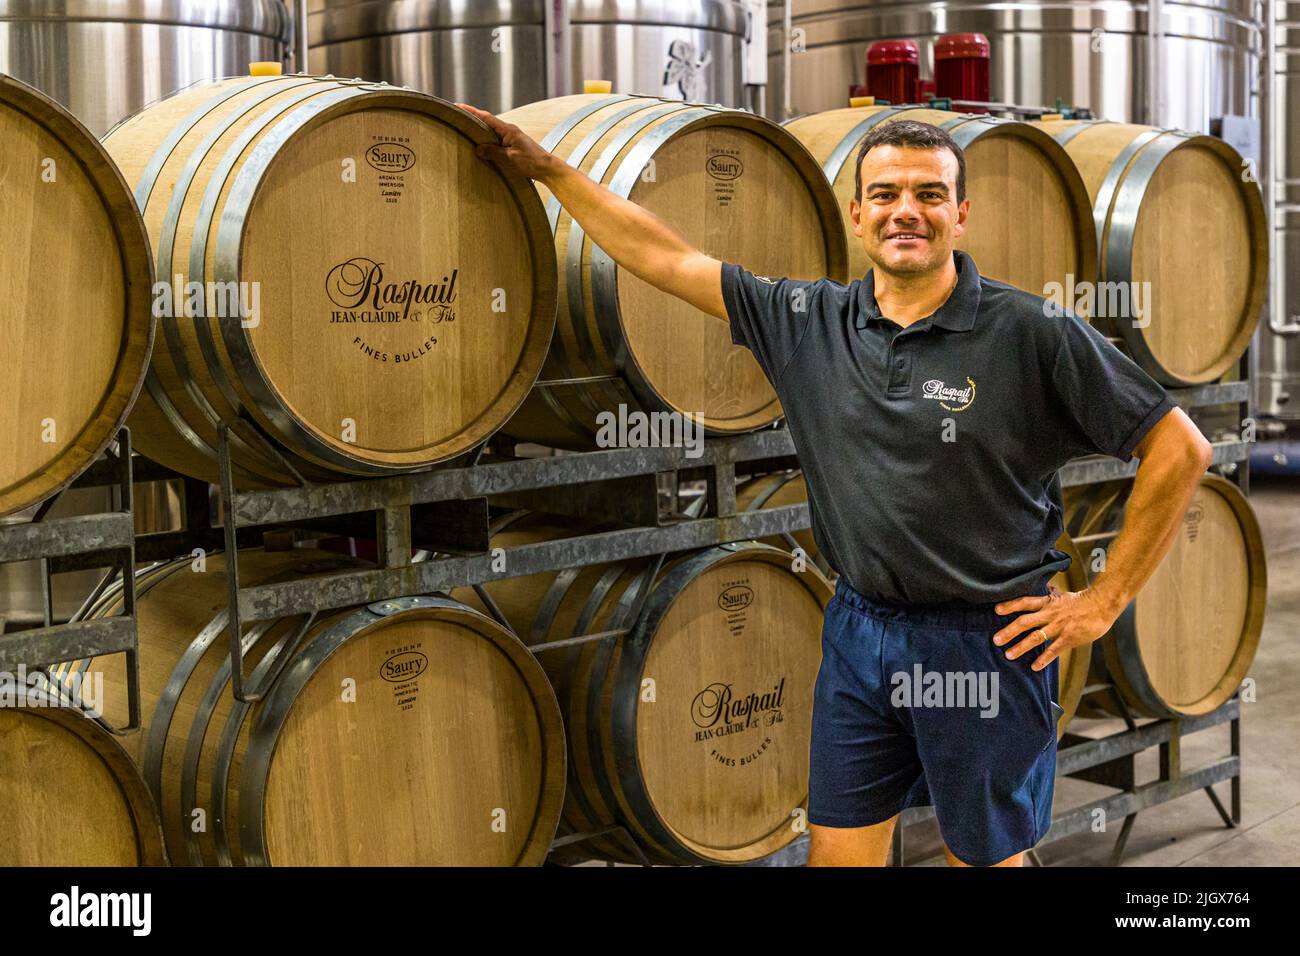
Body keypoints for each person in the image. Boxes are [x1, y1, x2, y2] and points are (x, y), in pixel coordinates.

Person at [457, 102, 1213, 867]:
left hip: (985, 641)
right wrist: (553, 170)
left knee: (982, 862)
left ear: (960, 213)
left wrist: (1105, 598)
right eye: (885, 195)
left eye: (927, 193)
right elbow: (665, 258)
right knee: (837, 854)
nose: (904, 212)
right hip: (860, 632)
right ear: (857, 215)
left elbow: (1180, 449)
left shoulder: (1030, 331)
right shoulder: (806, 320)